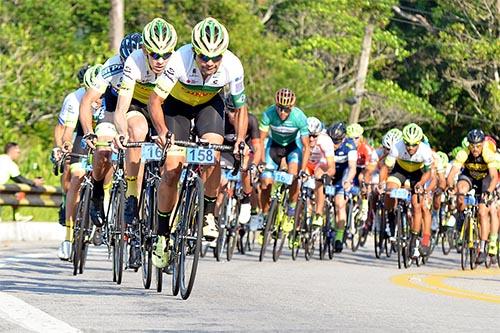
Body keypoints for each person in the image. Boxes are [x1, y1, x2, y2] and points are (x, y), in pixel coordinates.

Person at [148, 17, 248, 269]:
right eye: (204, 57)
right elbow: (154, 101)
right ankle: (161, 235)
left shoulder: (233, 66)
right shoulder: (179, 60)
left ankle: (207, 215)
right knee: (172, 169)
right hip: (176, 107)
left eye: (216, 58)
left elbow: (240, 108)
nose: (210, 63)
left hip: (208, 105)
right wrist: (161, 132)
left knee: (213, 152)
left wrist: (241, 140)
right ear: (194, 51)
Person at [113, 18, 178, 269]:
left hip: (165, 108)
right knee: (137, 130)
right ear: (144, 51)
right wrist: (121, 132)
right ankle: (131, 193)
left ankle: (168, 237)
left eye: (166, 54)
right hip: (138, 107)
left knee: (174, 165)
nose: (160, 59)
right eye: (154, 54)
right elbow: (121, 108)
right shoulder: (134, 63)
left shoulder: (178, 63)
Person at [258, 88, 310, 237]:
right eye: (279, 108)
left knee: (294, 176)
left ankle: (291, 210)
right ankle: (266, 216)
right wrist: (261, 161)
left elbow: (306, 147)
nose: (282, 112)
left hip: (292, 148)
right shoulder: (268, 114)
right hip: (273, 147)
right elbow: (260, 141)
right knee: (265, 182)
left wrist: (303, 169)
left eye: (286, 109)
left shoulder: (299, 117)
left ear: (291, 107)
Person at [379, 123, 434, 257]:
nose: (410, 148)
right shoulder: (397, 147)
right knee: (390, 191)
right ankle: (391, 216)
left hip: (418, 175)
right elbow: (386, 167)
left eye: (414, 145)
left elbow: (429, 174)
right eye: (407, 144)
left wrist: (421, 184)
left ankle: (418, 239)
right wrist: (382, 182)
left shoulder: (426, 151)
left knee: (419, 206)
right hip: (400, 171)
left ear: (419, 142)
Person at [447, 129, 498, 264]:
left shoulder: (488, 153)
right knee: (460, 191)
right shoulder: (464, 153)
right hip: (469, 176)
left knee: (482, 211)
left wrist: (488, 192)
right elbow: (452, 173)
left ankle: (482, 248)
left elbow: (493, 177)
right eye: (472, 145)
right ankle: (461, 215)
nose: (475, 149)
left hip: (485, 180)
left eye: (478, 145)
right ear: (468, 144)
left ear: (483, 144)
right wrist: (451, 186)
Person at [326, 122, 357, 252]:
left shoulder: (350, 145)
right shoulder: (324, 142)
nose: (334, 143)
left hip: (342, 174)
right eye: (332, 140)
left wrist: (348, 180)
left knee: (339, 204)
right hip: (328, 171)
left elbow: (352, 168)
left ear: (343, 138)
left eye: (337, 141)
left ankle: (339, 237)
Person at [0, 142, 44, 222]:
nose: (19, 154)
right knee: (20, 191)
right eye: (18, 152)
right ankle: (17, 215)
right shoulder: (9, 162)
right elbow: (19, 179)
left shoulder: (1, 158)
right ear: (12, 151)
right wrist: (33, 182)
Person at [304, 116, 335, 227]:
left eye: (314, 136)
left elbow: (331, 166)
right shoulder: (299, 137)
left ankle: (318, 213)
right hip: (306, 163)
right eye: (309, 135)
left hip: (320, 164)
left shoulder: (325, 141)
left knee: (318, 177)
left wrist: (326, 175)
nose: (311, 139)